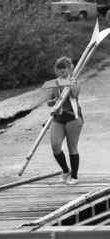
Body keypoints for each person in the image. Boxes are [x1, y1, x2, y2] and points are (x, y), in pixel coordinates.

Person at [47, 56, 83, 185]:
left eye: (64, 68)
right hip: (59, 117)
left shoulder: (75, 81)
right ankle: (65, 170)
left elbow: (75, 94)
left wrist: (71, 82)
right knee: (55, 146)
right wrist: (54, 101)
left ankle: (74, 177)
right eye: (59, 68)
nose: (61, 70)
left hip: (73, 117)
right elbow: (49, 102)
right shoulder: (54, 83)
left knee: (71, 146)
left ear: (69, 68)